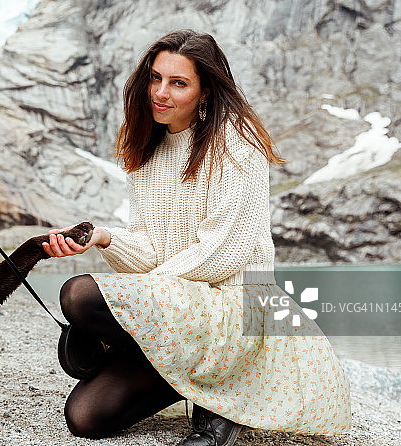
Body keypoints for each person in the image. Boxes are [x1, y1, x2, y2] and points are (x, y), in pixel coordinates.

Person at [42, 30, 351, 445]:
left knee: (80, 295)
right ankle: (185, 373)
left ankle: (222, 392)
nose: (161, 93)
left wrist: (138, 301)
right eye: (155, 78)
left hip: (239, 303)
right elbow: (152, 249)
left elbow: (224, 251)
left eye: (178, 83)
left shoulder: (237, 144)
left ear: (206, 90)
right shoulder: (146, 148)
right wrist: (103, 238)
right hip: (184, 308)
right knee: (85, 418)